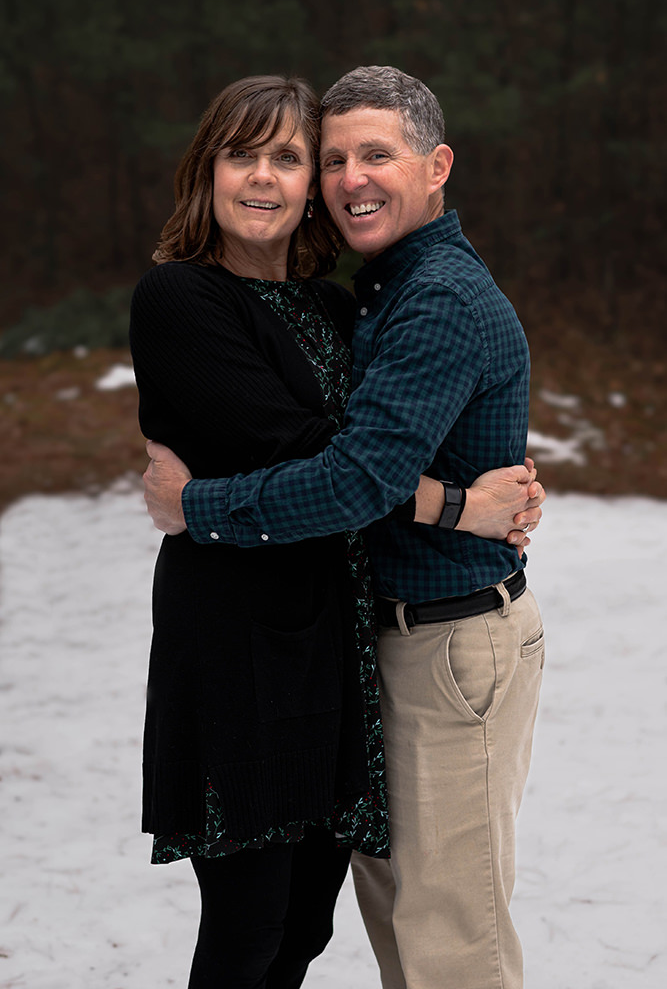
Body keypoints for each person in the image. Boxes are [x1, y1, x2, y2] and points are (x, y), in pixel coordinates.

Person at [143, 66, 545, 989]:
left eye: (373, 154)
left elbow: (350, 471)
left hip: (420, 645)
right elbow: (343, 457)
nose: (344, 176)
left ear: (436, 165)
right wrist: (459, 499)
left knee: (432, 939)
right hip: (297, 650)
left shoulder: (398, 297)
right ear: (207, 172)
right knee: (331, 929)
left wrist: (194, 503)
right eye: (331, 157)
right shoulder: (315, 294)